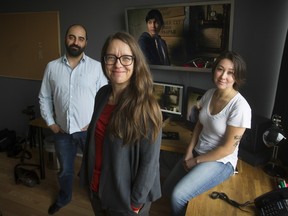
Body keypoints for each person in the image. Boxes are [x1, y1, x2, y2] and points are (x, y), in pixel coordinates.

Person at [79, 31, 163, 216]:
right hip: (97, 188)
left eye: (126, 58)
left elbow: (150, 163)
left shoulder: (146, 106)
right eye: (111, 57)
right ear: (104, 61)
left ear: (135, 61)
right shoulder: (102, 94)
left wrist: (135, 203)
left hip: (126, 198)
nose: (118, 64)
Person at [162, 51, 252, 216]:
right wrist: (189, 151)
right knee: (167, 188)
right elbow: (199, 125)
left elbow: (227, 149)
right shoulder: (210, 94)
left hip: (221, 162)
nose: (223, 76)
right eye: (220, 69)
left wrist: (195, 161)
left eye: (230, 72)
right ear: (214, 70)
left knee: (178, 196)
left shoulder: (240, 108)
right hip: (198, 151)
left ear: (237, 77)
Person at [38, 24, 107, 215]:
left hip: (89, 132)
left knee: (95, 167)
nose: (76, 42)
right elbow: (44, 96)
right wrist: (50, 122)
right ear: (65, 38)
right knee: (65, 171)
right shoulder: (51, 67)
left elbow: (105, 100)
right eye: (72, 37)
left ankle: (97, 197)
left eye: (80, 38)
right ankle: (65, 197)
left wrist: (94, 123)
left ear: (86, 42)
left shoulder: (97, 68)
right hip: (62, 133)